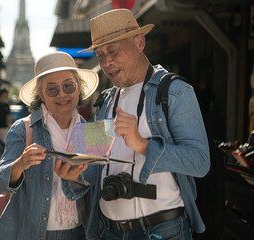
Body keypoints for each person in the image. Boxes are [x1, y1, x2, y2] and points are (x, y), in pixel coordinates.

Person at [54, 9, 210, 240]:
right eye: (100, 55)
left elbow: (200, 162)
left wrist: (142, 144)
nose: (107, 62)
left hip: (162, 231)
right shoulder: (105, 101)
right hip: (108, 230)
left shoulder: (176, 91)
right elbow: (96, 168)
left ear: (139, 42)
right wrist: (73, 173)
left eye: (113, 51)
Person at [0, 52, 99, 240]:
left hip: (79, 233)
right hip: (33, 234)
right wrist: (20, 164)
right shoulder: (24, 129)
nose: (62, 94)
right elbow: (0, 180)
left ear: (79, 88)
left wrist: (76, 179)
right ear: (41, 95)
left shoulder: (91, 131)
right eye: (52, 89)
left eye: (68, 86)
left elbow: (97, 184)